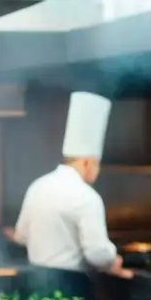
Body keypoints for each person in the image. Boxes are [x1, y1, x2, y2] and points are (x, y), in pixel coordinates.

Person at [14, 91, 129, 277]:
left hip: (34, 280)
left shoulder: (38, 186)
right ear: (86, 163)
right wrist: (113, 258)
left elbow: (21, 235)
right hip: (68, 285)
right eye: (97, 164)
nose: (97, 171)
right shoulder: (88, 198)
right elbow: (97, 253)